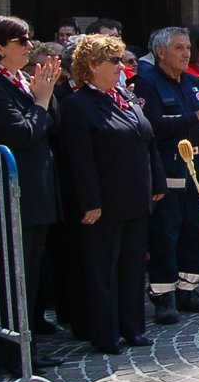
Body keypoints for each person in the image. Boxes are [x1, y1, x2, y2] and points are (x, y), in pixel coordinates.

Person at [0, 15, 64, 374]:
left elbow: (50, 124)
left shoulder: (20, 81)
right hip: (9, 195)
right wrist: (39, 102)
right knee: (12, 276)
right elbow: (21, 134)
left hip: (34, 192)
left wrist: (45, 95)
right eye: (21, 41)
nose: (28, 47)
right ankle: (11, 355)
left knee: (31, 275)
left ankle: (27, 347)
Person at [59, 33, 164, 354]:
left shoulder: (124, 98)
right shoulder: (77, 105)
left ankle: (132, 327)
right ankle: (105, 333)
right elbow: (79, 159)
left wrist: (156, 183)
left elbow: (148, 141)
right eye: (113, 61)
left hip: (134, 197)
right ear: (91, 66)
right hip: (104, 202)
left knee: (133, 266)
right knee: (103, 269)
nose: (121, 67)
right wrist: (90, 202)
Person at [131, 27, 199, 322]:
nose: (186, 53)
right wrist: (195, 117)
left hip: (196, 174)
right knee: (165, 235)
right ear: (161, 52)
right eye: (179, 48)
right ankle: (164, 295)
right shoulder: (146, 83)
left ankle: (189, 289)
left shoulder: (192, 83)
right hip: (167, 172)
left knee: (196, 233)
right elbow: (152, 127)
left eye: (187, 48)